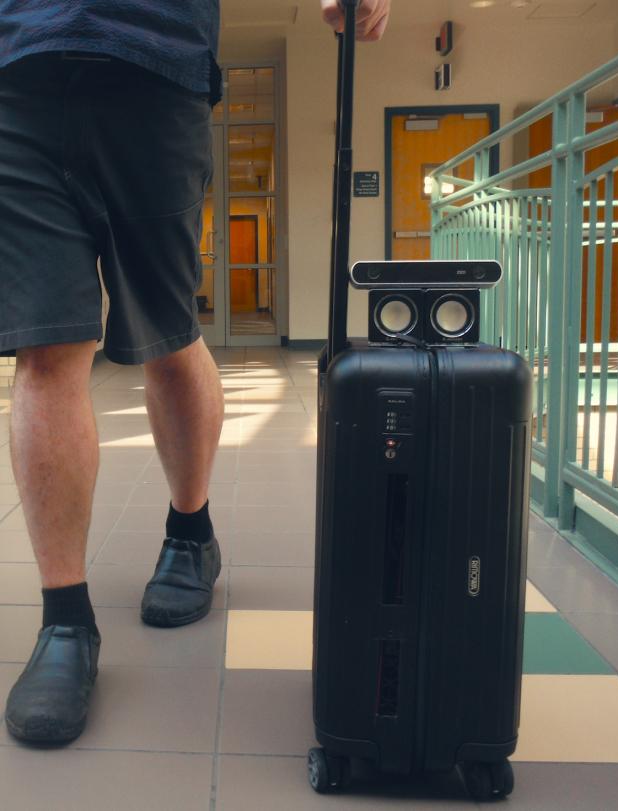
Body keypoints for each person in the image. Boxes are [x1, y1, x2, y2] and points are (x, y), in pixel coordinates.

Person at [0, 0, 391, 745]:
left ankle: (191, 531)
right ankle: (65, 621)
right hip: (19, 68)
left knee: (167, 333)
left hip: (155, 64)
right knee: (45, 345)